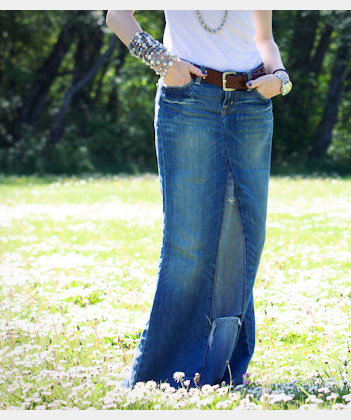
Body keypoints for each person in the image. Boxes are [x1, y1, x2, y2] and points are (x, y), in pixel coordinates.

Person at [105, 10, 292, 390]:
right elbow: (117, 14)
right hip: (188, 100)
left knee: (245, 239)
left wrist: (281, 78)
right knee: (188, 244)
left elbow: (264, 39)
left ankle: (222, 370)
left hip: (253, 104)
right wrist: (162, 62)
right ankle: (163, 377)